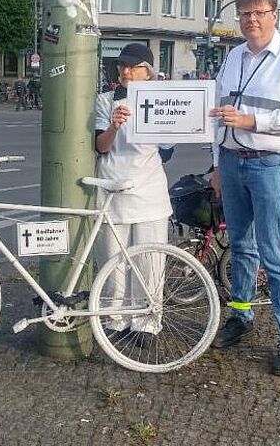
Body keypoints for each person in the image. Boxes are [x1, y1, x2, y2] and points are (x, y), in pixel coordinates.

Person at [208, 0, 280, 376]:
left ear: (275, 14)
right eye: (243, 14)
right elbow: (217, 117)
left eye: (258, 12)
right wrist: (217, 166)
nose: (250, 20)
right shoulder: (233, 57)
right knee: (240, 245)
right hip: (231, 160)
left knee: (275, 252)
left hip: (268, 162)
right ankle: (241, 315)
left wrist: (251, 121)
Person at [94, 43, 173, 346]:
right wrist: (113, 127)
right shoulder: (104, 101)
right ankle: (114, 318)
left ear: (148, 72)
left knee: (149, 259)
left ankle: (147, 321)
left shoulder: (164, 100)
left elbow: (167, 152)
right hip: (112, 187)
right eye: (123, 66)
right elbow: (100, 147)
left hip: (149, 189)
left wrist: (166, 127)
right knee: (112, 259)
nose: (127, 71)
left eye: (134, 66)